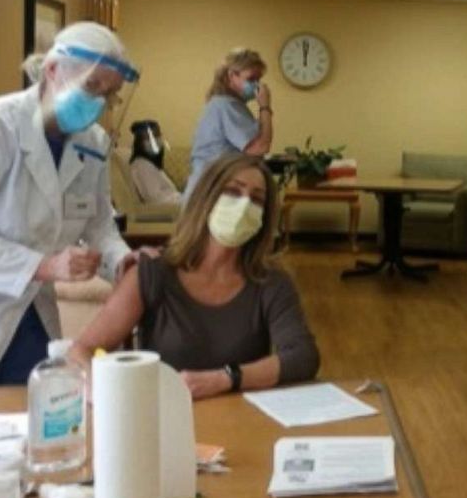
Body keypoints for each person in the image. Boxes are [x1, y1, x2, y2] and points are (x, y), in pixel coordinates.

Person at [72, 153, 320, 399]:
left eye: (257, 200)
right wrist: (108, 397)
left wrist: (225, 378)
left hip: (242, 423)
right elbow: (81, 350)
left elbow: (302, 356)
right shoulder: (153, 273)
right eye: (234, 192)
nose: (244, 205)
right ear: (207, 199)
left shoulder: (270, 281)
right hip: (164, 420)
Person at [0, 22, 142, 384]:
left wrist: (122, 261)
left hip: (30, 310)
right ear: (51, 70)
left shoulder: (92, 141)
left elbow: (98, 224)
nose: (98, 102)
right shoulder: (3, 126)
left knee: (37, 412)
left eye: (109, 94)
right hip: (9, 290)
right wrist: (45, 265)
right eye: (91, 85)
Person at [184, 47, 272, 199]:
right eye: (251, 79)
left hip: (217, 186)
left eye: (258, 80)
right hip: (211, 190)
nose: (257, 86)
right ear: (231, 75)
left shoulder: (233, 106)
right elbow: (260, 147)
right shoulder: (224, 106)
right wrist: (265, 106)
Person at [127, 120, 181, 205]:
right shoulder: (142, 166)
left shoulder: (150, 164)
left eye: (157, 135)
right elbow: (155, 200)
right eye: (149, 138)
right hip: (167, 212)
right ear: (140, 143)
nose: (155, 140)